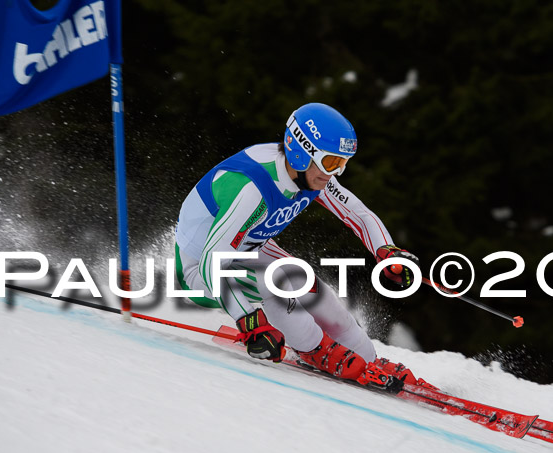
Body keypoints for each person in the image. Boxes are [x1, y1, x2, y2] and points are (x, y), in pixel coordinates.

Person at [175, 103, 429, 389]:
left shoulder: (310, 175)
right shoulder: (252, 189)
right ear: (301, 151)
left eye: (342, 164)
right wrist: (250, 323)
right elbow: (213, 261)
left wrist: (386, 251)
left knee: (314, 290)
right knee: (279, 283)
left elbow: (356, 212)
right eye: (331, 162)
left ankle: (367, 358)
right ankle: (316, 350)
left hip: (246, 248)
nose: (335, 173)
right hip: (198, 270)